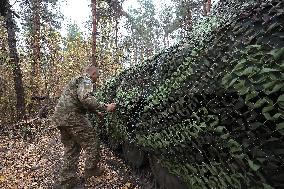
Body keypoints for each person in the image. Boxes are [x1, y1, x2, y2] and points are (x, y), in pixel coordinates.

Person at [52, 65, 116, 189]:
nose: (97, 78)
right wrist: (105, 107)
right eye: (97, 76)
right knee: (93, 141)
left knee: (72, 148)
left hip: (60, 118)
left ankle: (66, 181)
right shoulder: (86, 80)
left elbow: (79, 100)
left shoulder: (77, 80)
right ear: (92, 74)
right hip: (72, 117)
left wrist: (96, 112)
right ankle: (91, 169)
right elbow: (85, 98)